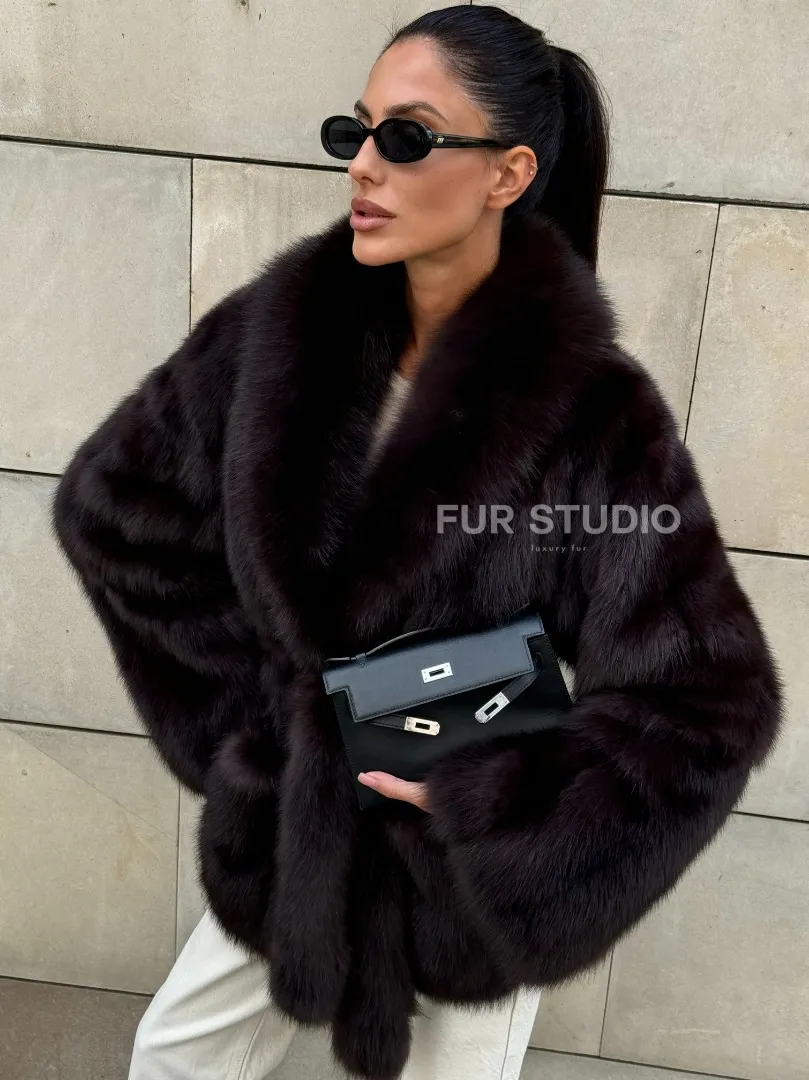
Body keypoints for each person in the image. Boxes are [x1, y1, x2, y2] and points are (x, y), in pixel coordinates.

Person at [50, 6, 783, 1080]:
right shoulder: (277, 335)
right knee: (175, 1060)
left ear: (506, 173)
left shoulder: (591, 413)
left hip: (463, 877)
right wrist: (260, 730)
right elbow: (117, 509)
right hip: (297, 829)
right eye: (355, 131)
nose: (363, 165)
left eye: (406, 137)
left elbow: (708, 696)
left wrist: (506, 804)